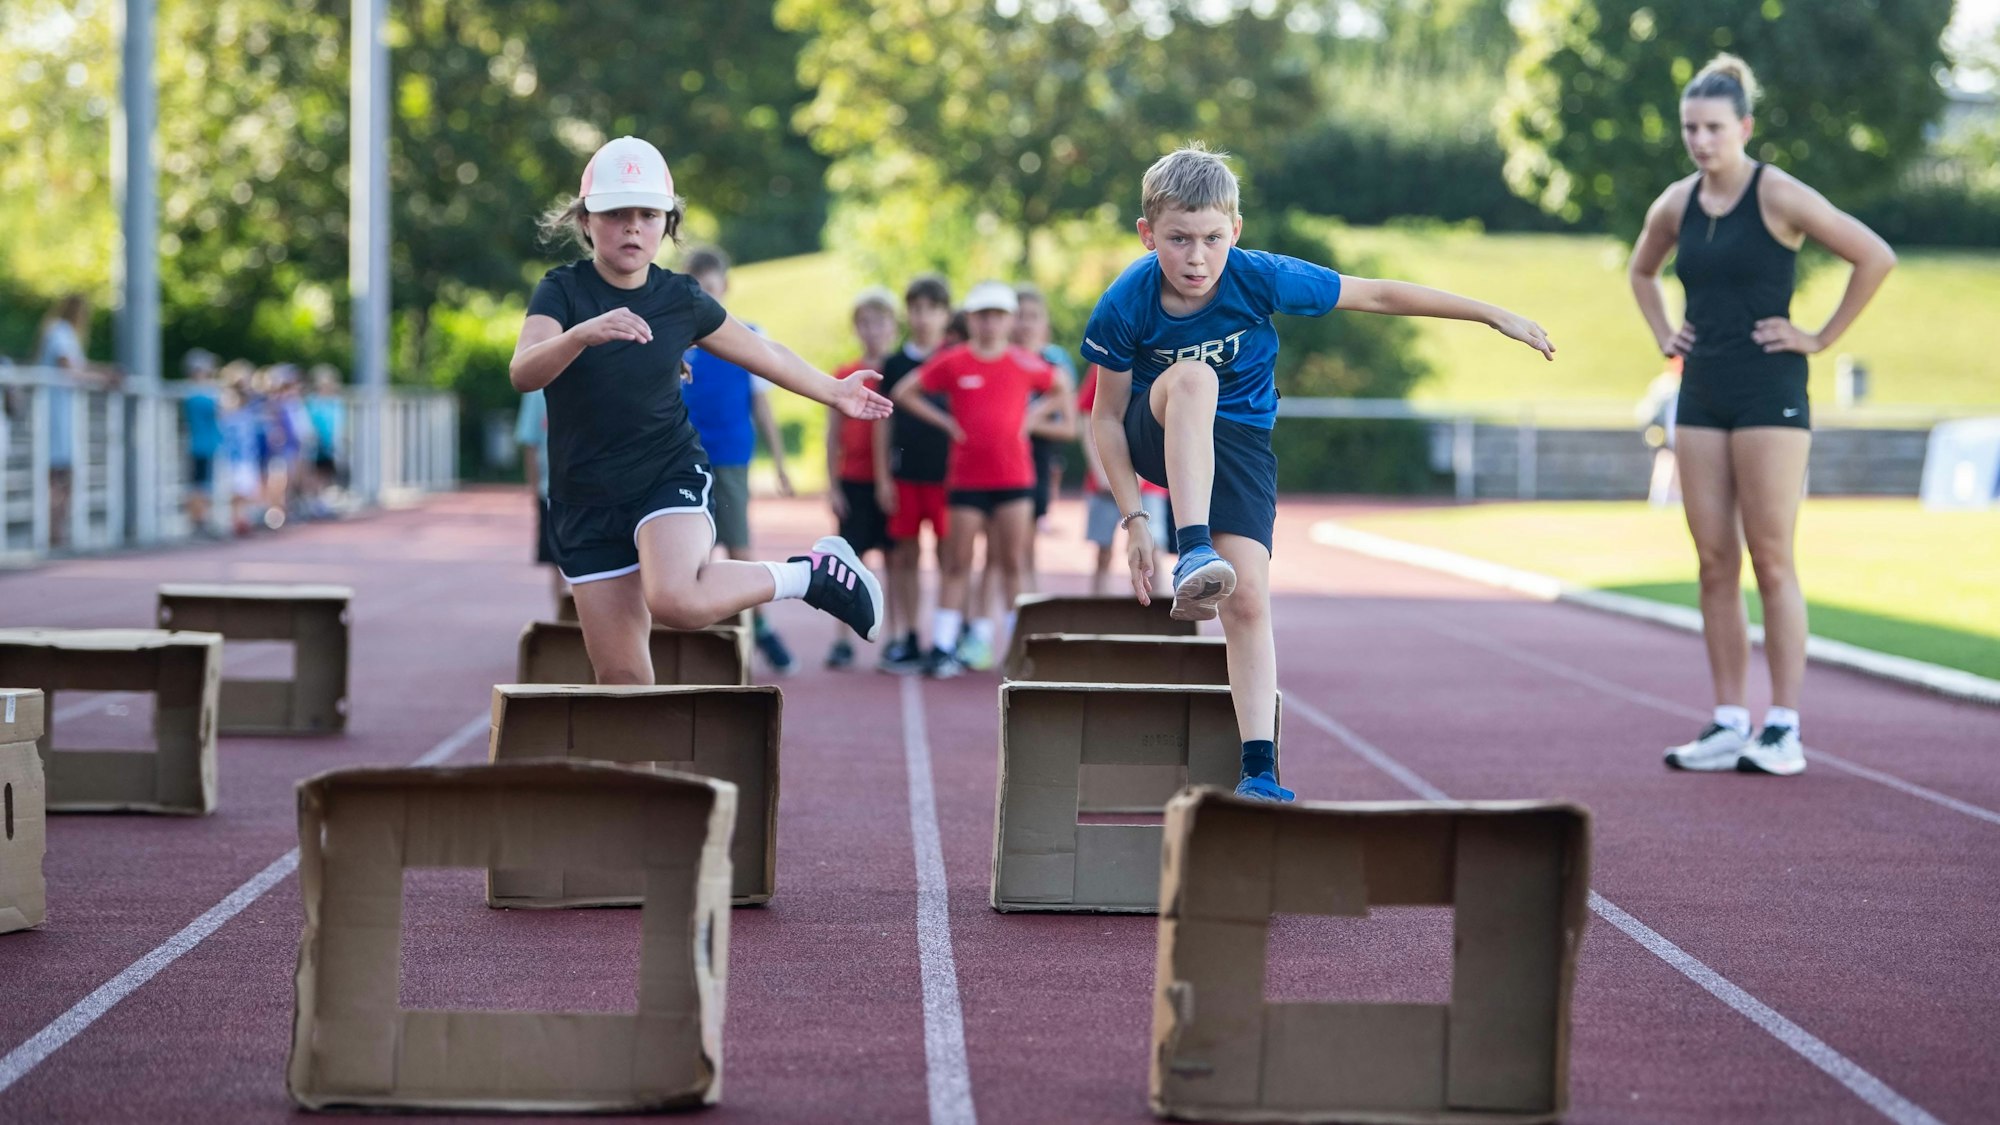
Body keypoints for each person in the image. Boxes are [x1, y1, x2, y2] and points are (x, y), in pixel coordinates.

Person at [1083, 144, 1553, 801]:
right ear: (1147, 234)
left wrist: (1490, 312)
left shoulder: (1261, 276)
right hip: (1156, 424)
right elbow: (1104, 418)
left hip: (1240, 440)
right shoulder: (1126, 300)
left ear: (1236, 231)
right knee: (1192, 377)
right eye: (1178, 240)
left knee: (1247, 597)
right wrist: (1135, 518)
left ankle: (1260, 771)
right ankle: (1190, 547)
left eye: (1213, 240)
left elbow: (1377, 293)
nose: (1197, 259)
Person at [509, 134, 889, 688]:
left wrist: (834, 392)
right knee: (621, 680)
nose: (633, 226)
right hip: (583, 496)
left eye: (648, 214)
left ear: (667, 225)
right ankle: (646, 778)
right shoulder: (561, 292)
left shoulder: (681, 298)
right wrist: (582, 336)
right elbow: (524, 372)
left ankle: (810, 576)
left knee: (677, 600)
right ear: (587, 221)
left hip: (665, 474)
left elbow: (764, 352)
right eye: (616, 213)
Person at [1628, 55, 1895, 777]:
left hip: (1770, 389)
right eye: (1690, 128)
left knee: (1770, 557)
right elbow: (1641, 269)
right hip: (1703, 388)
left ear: (1743, 126)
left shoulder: (1778, 194)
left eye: (1714, 127)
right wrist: (1663, 333)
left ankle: (1782, 726)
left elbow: (1874, 255)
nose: (1701, 141)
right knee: (1714, 561)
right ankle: (1726, 718)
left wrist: (1820, 337)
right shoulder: (1676, 203)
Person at [892, 281, 1056, 679]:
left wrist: (1031, 418)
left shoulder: (1025, 362)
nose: (990, 323)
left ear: (1010, 320)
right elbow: (904, 391)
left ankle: (1018, 650)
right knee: (957, 562)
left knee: (1012, 561)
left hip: (1014, 478)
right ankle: (944, 647)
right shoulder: (953, 361)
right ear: (970, 319)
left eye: (998, 316)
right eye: (982, 316)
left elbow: (1061, 388)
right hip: (966, 481)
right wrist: (947, 422)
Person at [681, 246, 800, 675]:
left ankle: (761, 628)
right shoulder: (676, 338)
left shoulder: (747, 335)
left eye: (712, 289)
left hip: (730, 457)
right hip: (682, 460)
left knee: (740, 546)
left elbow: (763, 404)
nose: (706, 296)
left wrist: (782, 462)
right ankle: (699, 641)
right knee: (690, 554)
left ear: (725, 287)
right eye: (698, 289)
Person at [873, 275, 955, 673]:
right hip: (905, 476)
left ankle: (943, 637)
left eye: (931, 309)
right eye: (916, 309)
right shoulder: (894, 363)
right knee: (905, 556)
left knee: (947, 556)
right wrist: (882, 476)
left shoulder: (955, 358)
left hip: (948, 478)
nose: (923, 318)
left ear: (945, 314)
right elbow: (882, 423)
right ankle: (907, 634)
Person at [824, 286, 901, 669]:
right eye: (866, 323)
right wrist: (833, 484)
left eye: (880, 322)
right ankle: (842, 640)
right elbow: (832, 433)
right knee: (847, 562)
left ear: (893, 327)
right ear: (857, 328)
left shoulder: (901, 372)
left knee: (895, 559)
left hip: (891, 483)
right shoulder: (844, 374)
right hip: (853, 478)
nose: (873, 329)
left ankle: (897, 636)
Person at [1078, 364, 1170, 596]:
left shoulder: (1166, 363)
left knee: (1154, 551)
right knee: (1103, 551)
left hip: (1149, 482)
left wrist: (1143, 473)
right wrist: (1100, 471)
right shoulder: (1108, 360)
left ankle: (1154, 615)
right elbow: (1088, 415)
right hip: (1103, 481)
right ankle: (1099, 611)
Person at [1013, 284, 1080, 590]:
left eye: (1033, 316)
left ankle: (1024, 610)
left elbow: (1068, 427)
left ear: (1045, 324)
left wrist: (1024, 423)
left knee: (1022, 548)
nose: (1025, 323)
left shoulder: (1055, 365)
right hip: (991, 462)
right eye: (1019, 316)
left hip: (1034, 461)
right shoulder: (998, 360)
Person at [34, 294, 100, 548]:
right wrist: (100, 377)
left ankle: (57, 529)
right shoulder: (60, 332)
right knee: (58, 472)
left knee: (64, 472)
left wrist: (101, 372)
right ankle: (54, 530)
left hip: (64, 413)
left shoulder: (62, 333)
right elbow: (68, 368)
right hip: (55, 413)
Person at [516, 385, 564, 601]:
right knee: (556, 559)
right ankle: (561, 616)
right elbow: (530, 442)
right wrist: (535, 489)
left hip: (596, 491)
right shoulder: (538, 389)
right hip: (550, 491)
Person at [181, 349, 224, 537]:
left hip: (205, 444)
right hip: (200, 445)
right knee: (200, 486)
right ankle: (198, 521)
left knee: (202, 485)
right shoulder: (198, 395)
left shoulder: (199, 393)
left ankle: (201, 520)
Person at [304, 364, 345, 514]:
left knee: (327, 473)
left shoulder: (335, 402)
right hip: (316, 444)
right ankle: (313, 501)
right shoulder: (313, 402)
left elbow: (339, 423)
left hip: (330, 444)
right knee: (314, 473)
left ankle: (322, 501)